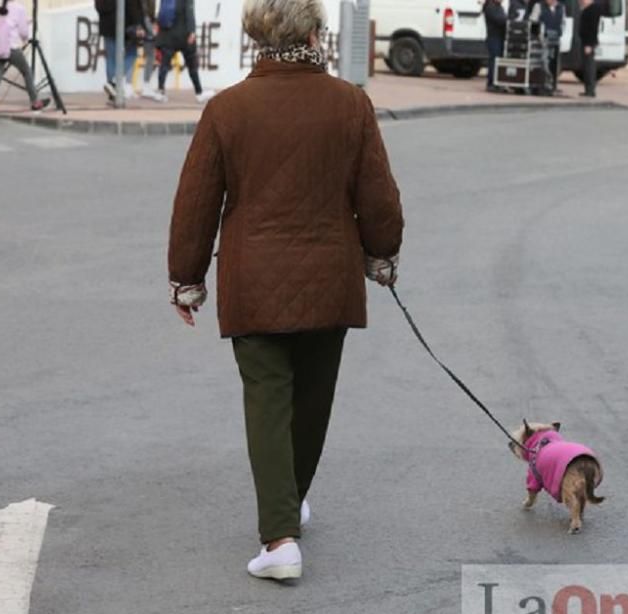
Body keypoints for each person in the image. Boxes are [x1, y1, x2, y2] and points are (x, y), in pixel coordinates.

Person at [167, 0, 404, 581]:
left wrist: (187, 279)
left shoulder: (227, 109)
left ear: (254, 37)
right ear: (316, 33)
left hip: (253, 280)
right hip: (331, 276)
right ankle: (288, 501)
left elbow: (196, 203)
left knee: (268, 402)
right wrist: (382, 255)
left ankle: (279, 539)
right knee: (313, 401)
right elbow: (378, 197)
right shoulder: (351, 103)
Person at [0, 0, 50, 126]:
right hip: (11, 48)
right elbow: (23, 32)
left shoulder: (2, 6)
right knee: (26, 71)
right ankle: (35, 102)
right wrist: (26, 36)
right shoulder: (19, 8)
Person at [146, 0, 213, 103]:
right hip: (183, 35)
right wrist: (192, 31)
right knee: (192, 64)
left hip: (167, 35)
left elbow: (161, 14)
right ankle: (199, 92)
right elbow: (189, 13)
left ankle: (160, 91)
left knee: (164, 64)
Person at [96, 0, 146, 103]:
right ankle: (114, 82)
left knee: (111, 59)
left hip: (106, 25)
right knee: (132, 54)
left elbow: (98, 6)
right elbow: (133, 5)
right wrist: (138, 25)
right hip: (124, 23)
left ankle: (112, 94)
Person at [531, 0, 565, 93]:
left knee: (554, 63)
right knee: (544, 62)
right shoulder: (539, 6)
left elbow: (563, 22)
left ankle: (552, 85)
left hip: (556, 39)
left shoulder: (561, 7)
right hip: (543, 40)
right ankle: (544, 84)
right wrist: (539, 35)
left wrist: (560, 33)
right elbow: (533, 21)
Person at [483, 0, 507, 92]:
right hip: (493, 37)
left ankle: (497, 82)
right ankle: (491, 83)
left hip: (500, 37)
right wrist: (506, 20)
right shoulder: (490, 6)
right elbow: (499, 20)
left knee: (499, 60)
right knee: (494, 60)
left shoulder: (499, 7)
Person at [578, 0, 600, 97]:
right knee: (586, 66)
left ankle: (590, 90)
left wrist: (589, 44)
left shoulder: (592, 10)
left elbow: (592, 28)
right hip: (586, 42)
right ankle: (588, 89)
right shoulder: (587, 9)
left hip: (588, 43)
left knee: (589, 67)